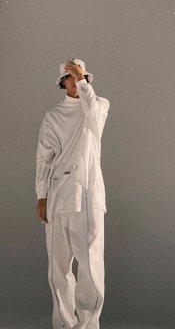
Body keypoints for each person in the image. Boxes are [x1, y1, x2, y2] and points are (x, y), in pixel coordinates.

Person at [36, 58, 110, 329]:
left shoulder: (99, 105)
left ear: (86, 79)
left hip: (88, 195)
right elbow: (44, 157)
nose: (75, 82)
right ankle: (64, 324)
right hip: (58, 196)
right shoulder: (53, 116)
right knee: (58, 269)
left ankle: (88, 325)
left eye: (80, 76)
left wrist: (83, 81)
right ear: (62, 82)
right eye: (69, 77)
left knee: (90, 266)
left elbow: (94, 118)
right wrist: (41, 195)